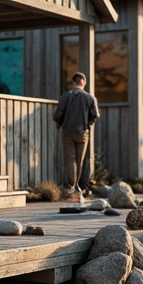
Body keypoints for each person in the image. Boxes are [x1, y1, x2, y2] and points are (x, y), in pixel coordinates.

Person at [53, 72, 99, 201]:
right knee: (79, 160)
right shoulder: (90, 98)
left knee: (70, 160)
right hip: (82, 133)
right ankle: (78, 186)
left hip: (67, 132)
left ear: (73, 82)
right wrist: (87, 125)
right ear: (84, 82)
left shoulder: (65, 97)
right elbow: (95, 115)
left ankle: (70, 186)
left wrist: (63, 124)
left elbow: (57, 115)